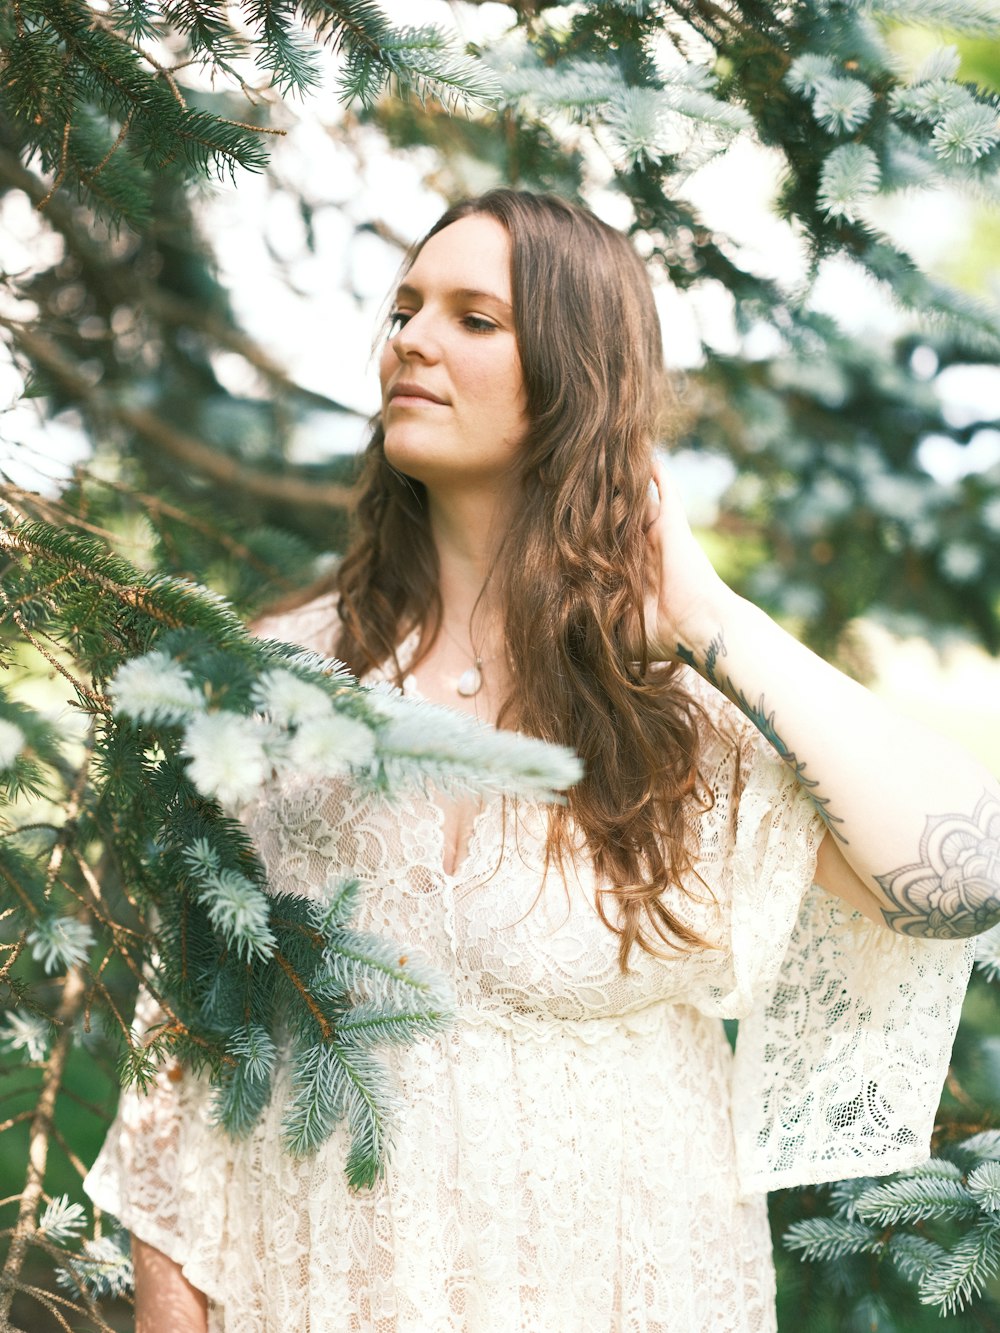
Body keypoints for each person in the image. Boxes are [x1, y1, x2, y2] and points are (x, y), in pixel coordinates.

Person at [85, 189, 1000, 1333]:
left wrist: (704, 609)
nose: (411, 336)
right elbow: (177, 1076)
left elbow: (968, 873)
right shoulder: (280, 686)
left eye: (475, 318)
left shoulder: (676, 717)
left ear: (574, 379)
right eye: (408, 306)